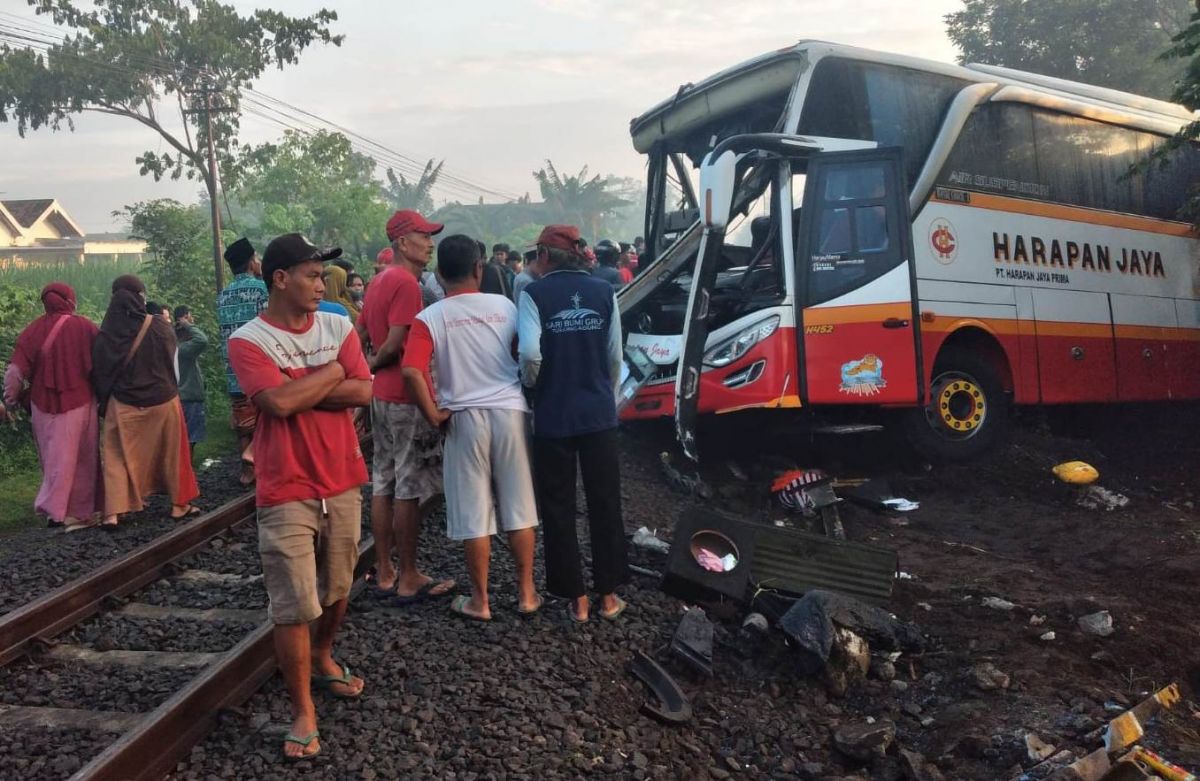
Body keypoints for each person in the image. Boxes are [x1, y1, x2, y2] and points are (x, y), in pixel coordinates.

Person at [227, 233, 372, 762]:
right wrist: (335, 369)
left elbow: (364, 390)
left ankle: (324, 653)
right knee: (292, 603)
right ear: (280, 279)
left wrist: (307, 382)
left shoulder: (338, 324)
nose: (321, 284)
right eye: (312, 275)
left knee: (337, 587)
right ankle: (303, 710)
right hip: (285, 485)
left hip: (342, 478)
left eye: (322, 275)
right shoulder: (248, 339)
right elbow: (278, 405)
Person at [401, 235, 540, 621]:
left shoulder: (430, 317)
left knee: (475, 513)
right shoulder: (506, 306)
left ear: (440, 275)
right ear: (479, 268)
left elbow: (412, 370)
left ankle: (480, 601)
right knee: (519, 505)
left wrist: (432, 414)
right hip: (510, 412)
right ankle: (527, 593)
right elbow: (525, 352)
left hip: (463, 419)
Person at [518, 225, 628, 623]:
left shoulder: (533, 294)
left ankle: (576, 600)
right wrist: (604, 392)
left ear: (546, 255)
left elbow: (530, 352)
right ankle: (609, 596)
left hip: (553, 415)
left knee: (558, 505)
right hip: (598, 413)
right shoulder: (604, 291)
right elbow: (615, 355)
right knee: (604, 502)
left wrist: (533, 385)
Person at [359, 209, 455, 603]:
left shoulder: (379, 280)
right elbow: (398, 342)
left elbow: (361, 329)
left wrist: (365, 370)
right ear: (403, 242)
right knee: (408, 486)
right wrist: (376, 362)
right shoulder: (407, 284)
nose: (430, 243)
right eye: (423, 235)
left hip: (380, 395)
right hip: (403, 394)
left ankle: (384, 570)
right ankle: (410, 574)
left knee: (382, 480)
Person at [93, 275, 200, 529]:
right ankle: (179, 505)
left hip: (123, 402)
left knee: (116, 455)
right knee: (174, 453)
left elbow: (99, 370)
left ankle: (113, 513)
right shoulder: (159, 327)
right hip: (163, 400)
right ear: (140, 297)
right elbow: (173, 366)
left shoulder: (107, 332)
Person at [2, 283, 102, 530]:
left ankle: (55, 511)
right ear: (70, 300)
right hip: (81, 401)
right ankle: (76, 511)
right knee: (82, 459)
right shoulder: (86, 327)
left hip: (40, 405)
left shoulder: (32, 330)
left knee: (53, 458)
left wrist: (10, 399)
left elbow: (14, 371)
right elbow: (103, 361)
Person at [218, 237, 269, 486]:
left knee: (242, 421)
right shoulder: (261, 290)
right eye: (257, 258)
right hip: (259, 366)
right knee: (265, 420)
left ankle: (247, 471)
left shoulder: (223, 294)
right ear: (251, 263)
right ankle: (265, 467)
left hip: (233, 369)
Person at [173, 305, 209, 455]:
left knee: (180, 439)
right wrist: (187, 324)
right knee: (189, 440)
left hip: (178, 398)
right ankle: (187, 474)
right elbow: (202, 340)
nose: (192, 320)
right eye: (190, 317)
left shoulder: (172, 346)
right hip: (189, 398)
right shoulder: (183, 349)